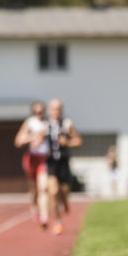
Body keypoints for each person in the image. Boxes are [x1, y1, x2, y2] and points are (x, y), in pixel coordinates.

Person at [44, 98, 82, 235]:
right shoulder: (44, 125)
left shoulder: (67, 124)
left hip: (63, 162)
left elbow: (78, 141)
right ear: (49, 110)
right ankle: (57, 222)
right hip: (50, 162)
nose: (55, 111)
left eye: (58, 109)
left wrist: (67, 142)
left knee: (64, 191)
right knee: (53, 192)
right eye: (53, 108)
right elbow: (34, 141)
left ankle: (65, 202)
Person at [14, 101, 49, 229]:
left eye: (41, 111)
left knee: (43, 188)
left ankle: (44, 217)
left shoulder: (48, 124)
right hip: (31, 159)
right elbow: (18, 141)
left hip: (43, 159)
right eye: (36, 112)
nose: (38, 114)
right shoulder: (30, 122)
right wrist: (33, 136)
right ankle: (34, 205)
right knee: (34, 189)